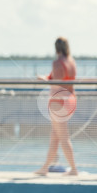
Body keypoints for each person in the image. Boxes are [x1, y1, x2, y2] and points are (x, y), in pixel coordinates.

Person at [35, 37, 78, 176]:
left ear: (56, 48)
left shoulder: (57, 63)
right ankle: (45, 168)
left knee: (63, 137)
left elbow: (57, 85)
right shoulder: (71, 62)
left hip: (59, 101)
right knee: (55, 136)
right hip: (70, 99)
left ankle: (74, 169)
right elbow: (66, 82)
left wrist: (45, 80)